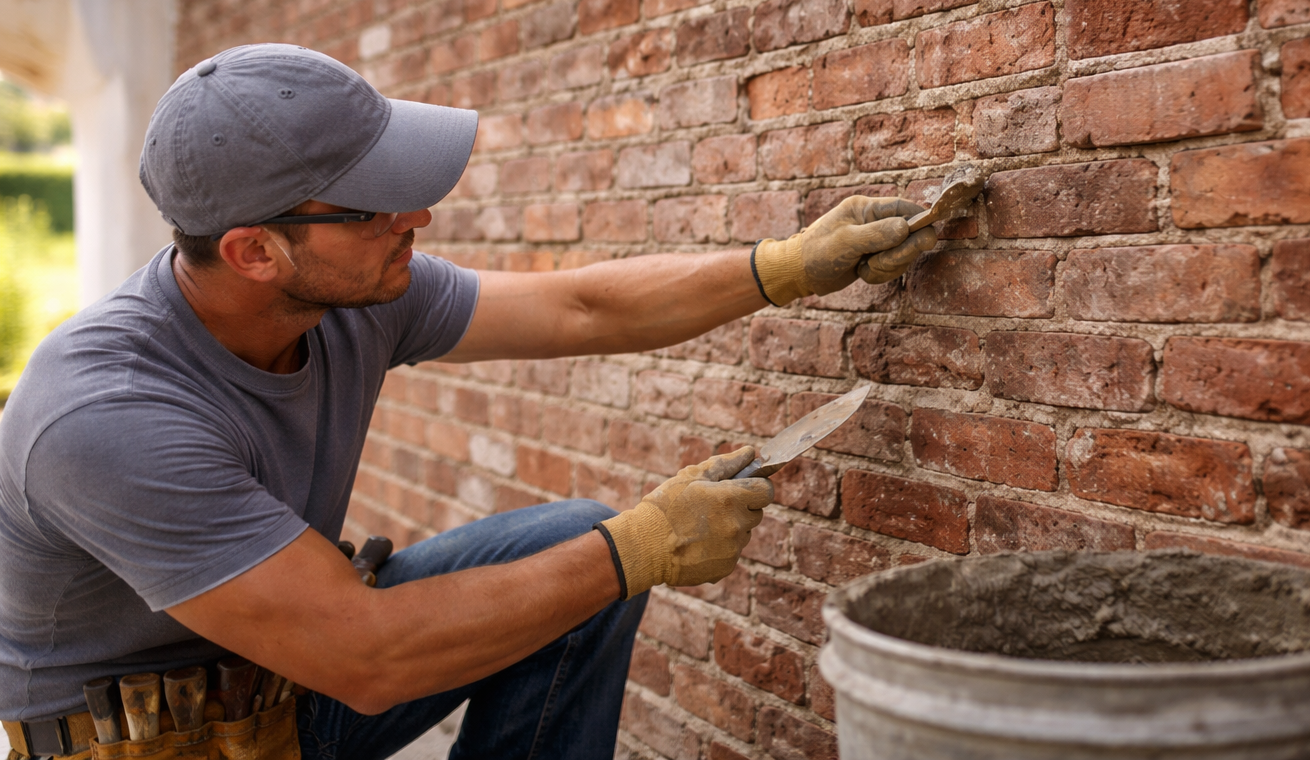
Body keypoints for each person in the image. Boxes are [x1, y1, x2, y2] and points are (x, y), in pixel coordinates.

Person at [0, 44, 938, 760]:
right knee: (600, 557)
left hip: (287, 680)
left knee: (569, 542)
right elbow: (369, 659)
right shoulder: (104, 416)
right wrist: (645, 547)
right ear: (254, 251)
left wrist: (781, 268)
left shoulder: (350, 294)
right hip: (154, 741)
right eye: (374, 203)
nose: (417, 216)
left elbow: (577, 309)